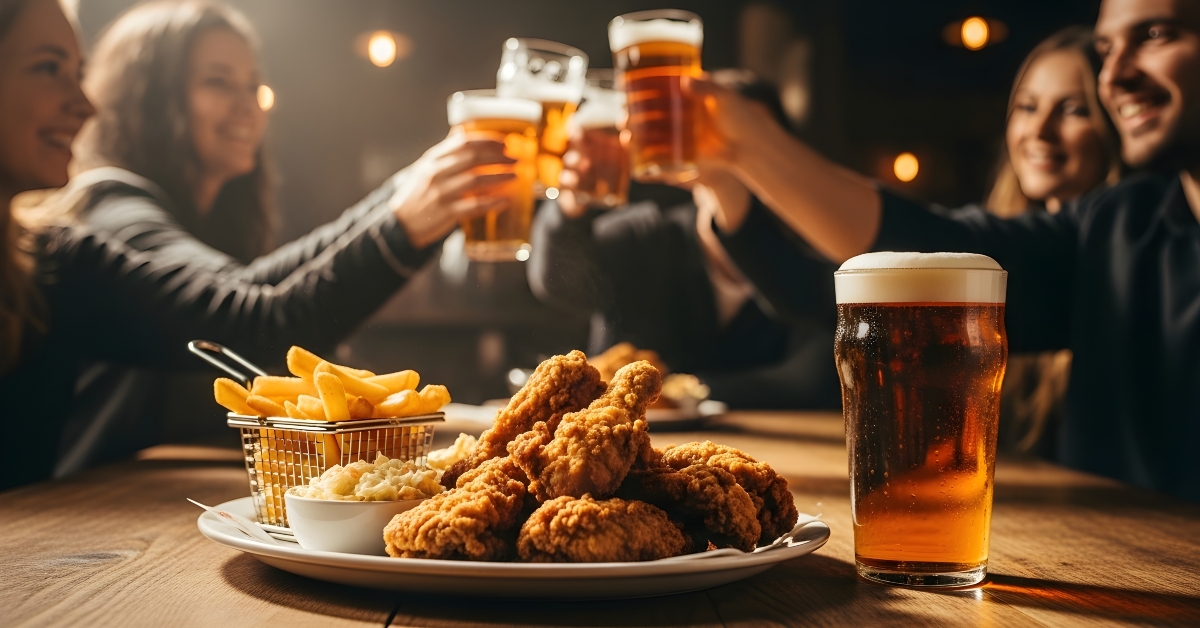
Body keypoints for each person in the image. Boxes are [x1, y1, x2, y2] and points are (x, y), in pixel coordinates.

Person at [692, 0, 1200, 500]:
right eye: (1108, 49)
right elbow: (916, 251)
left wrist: (749, 145)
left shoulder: (1112, 227)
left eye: (1156, 34)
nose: (1117, 75)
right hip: (1112, 564)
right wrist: (736, 163)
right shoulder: (1117, 229)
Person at [0, 0, 511, 489]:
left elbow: (253, 296)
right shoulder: (110, 209)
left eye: (253, 85)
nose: (247, 104)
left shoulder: (62, 250)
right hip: (94, 503)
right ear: (149, 97)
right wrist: (403, 218)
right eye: (218, 83)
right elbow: (254, 316)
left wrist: (409, 192)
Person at [527, 72, 841, 409]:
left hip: (776, 455)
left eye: (756, 138)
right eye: (724, 130)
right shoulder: (646, 234)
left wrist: (683, 392)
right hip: (629, 448)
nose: (739, 150)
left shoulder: (809, 261)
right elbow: (557, 280)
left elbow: (813, 379)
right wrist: (572, 201)